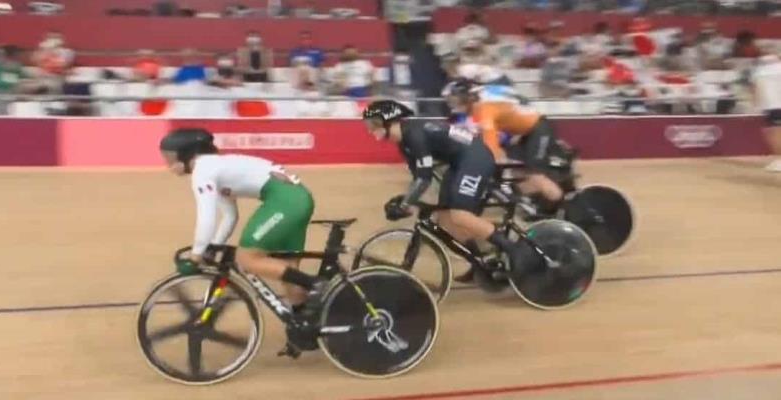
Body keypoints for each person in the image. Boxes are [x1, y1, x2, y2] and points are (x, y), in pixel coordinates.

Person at [160, 128, 325, 351]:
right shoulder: (215, 166)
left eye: (170, 157)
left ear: (188, 154)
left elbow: (206, 216)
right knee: (287, 273)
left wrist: (197, 255)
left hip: (285, 202)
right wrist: (213, 245)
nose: (168, 164)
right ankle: (305, 329)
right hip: (295, 198)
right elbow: (229, 215)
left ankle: (316, 284)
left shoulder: (203, 169)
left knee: (247, 258)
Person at [361, 100, 525, 286]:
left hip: (475, 158)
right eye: (368, 125)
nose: (370, 130)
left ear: (391, 121)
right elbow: (420, 178)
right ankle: (480, 263)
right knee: (446, 221)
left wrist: (405, 204)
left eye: (374, 124)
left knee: (460, 215)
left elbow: (424, 179)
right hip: (459, 162)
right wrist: (407, 201)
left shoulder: (413, 134)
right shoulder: (405, 140)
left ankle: (514, 251)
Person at [445, 78, 574, 219]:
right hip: (524, 130)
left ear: (468, 97)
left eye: (456, 99)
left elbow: (491, 150)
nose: (453, 104)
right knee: (516, 171)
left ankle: (565, 209)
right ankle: (532, 202)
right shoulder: (483, 98)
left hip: (537, 128)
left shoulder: (482, 109)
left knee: (535, 174)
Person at [750, 54, 781, 172]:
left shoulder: (759, 72)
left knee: (775, 133)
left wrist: (755, 105)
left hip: (772, 106)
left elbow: (755, 90)